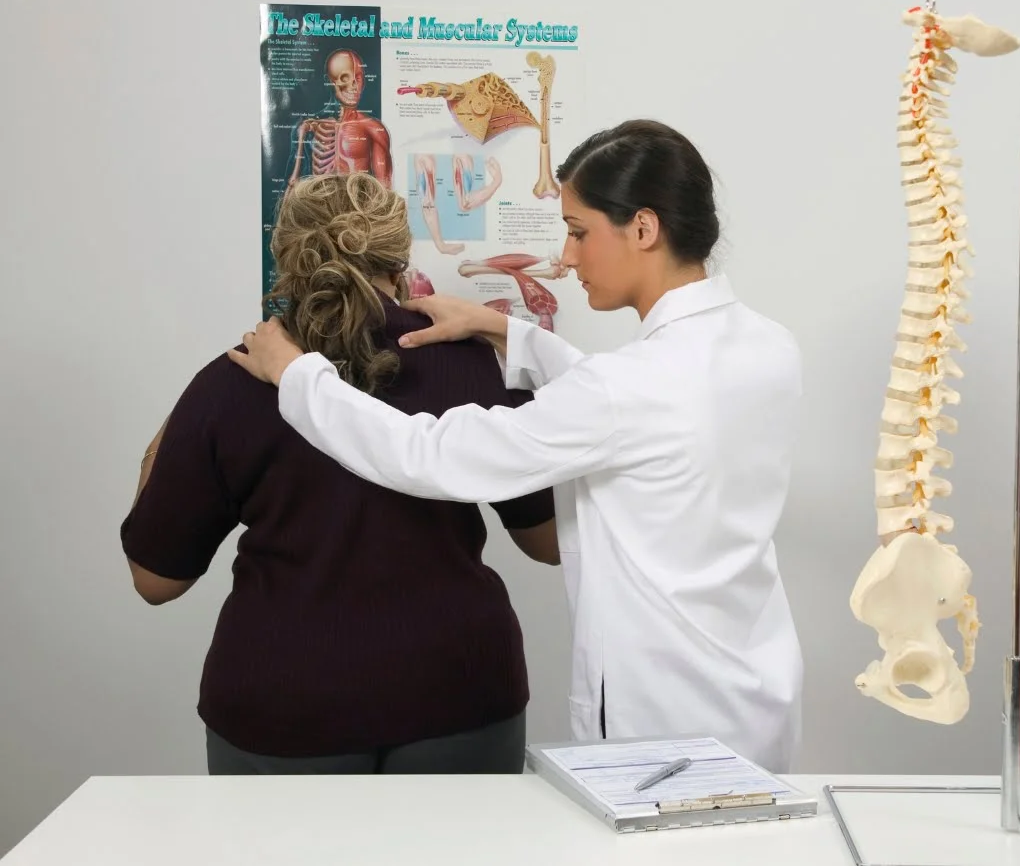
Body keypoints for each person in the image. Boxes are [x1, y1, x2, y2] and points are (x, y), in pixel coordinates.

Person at [230, 119, 806, 772]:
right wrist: (506, 331)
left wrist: (299, 376)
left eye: (580, 231)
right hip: (757, 693)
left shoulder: (628, 390)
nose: (566, 256)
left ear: (643, 229)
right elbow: (648, 408)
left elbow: (430, 454)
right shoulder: (768, 348)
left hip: (665, 726)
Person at [120, 171, 559, 775]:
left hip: (283, 700)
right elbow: (548, 541)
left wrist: (185, 417)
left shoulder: (233, 381)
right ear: (399, 259)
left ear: (288, 262)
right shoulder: (470, 363)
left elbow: (155, 580)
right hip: (457, 689)